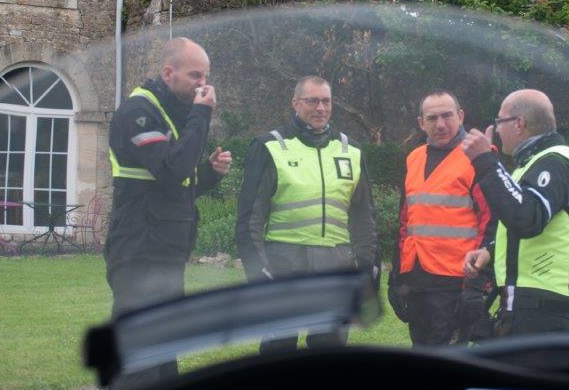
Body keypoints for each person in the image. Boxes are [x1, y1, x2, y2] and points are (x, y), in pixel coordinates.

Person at [104, 37, 233, 356]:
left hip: (165, 247)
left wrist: (210, 173)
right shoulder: (139, 111)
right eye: (195, 75)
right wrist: (201, 114)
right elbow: (171, 169)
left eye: (205, 76)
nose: (203, 84)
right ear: (167, 73)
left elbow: (179, 182)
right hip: (139, 246)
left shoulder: (173, 112)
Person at [236, 76, 378, 353]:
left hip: (336, 265)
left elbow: (364, 218)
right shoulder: (270, 146)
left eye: (326, 101)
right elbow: (249, 218)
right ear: (295, 103)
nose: (320, 108)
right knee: (279, 349)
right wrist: (258, 270)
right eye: (312, 101)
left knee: (330, 349)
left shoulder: (351, 150)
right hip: (284, 263)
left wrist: (367, 265)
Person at [461, 89, 569, 335]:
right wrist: (490, 252)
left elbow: (527, 219)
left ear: (519, 123)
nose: (497, 129)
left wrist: (485, 160)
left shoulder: (555, 162)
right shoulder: (532, 164)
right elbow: (524, 219)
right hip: (532, 307)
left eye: (500, 121)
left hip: (546, 309)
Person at [391, 90, 496, 346]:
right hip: (417, 280)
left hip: (456, 283)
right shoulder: (414, 158)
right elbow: (405, 222)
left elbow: (493, 223)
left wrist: (478, 285)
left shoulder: (479, 158)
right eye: (432, 118)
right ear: (421, 123)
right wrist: (397, 277)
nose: (440, 124)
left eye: (447, 116)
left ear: (461, 116)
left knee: (446, 359)